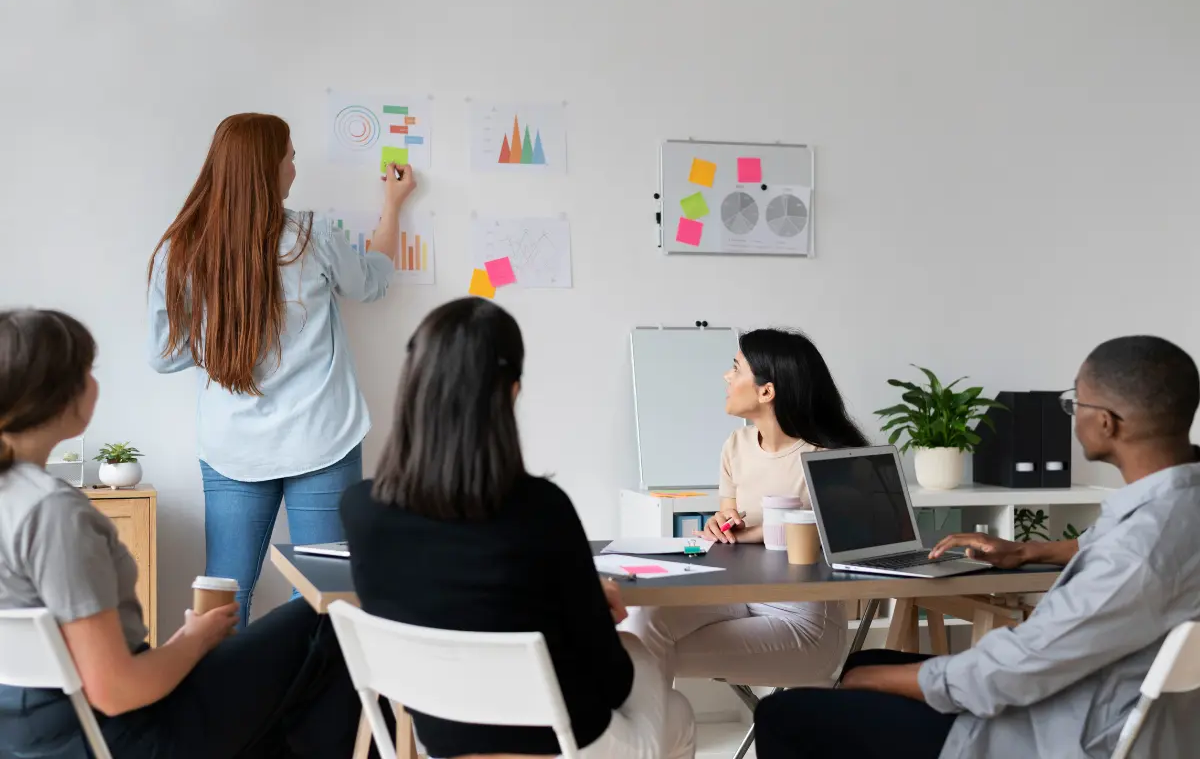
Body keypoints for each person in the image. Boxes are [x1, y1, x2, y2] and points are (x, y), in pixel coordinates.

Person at [754, 335, 1200, 759]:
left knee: (785, 713)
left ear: (1107, 422)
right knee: (868, 660)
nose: (1072, 414)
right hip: (1112, 702)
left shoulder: (1137, 552)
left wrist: (877, 680)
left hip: (1048, 733)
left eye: (1075, 403)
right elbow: (1109, 551)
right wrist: (1028, 551)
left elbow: (1011, 674)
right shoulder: (1177, 507)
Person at [340, 297, 696, 759]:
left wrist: (577, 607)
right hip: (562, 747)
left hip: (444, 745)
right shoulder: (543, 512)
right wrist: (587, 610)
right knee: (669, 696)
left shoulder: (361, 511)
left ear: (413, 385)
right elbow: (611, 682)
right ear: (510, 392)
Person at [0, 309, 361, 757]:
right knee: (326, 623)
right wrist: (195, 641)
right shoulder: (53, 514)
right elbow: (114, 691)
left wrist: (183, 641)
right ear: (60, 396)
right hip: (118, 736)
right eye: (87, 371)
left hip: (28, 735)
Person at [146, 112, 416, 628]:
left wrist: (219, 339)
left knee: (224, 593)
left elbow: (163, 354)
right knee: (323, 590)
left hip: (232, 445)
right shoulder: (310, 236)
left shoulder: (181, 247)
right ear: (268, 167)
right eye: (290, 156)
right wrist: (392, 206)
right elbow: (373, 284)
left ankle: (224, 704)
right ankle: (298, 700)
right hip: (322, 438)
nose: (295, 167)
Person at [626, 328, 869, 687]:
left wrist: (753, 533)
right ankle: (648, 738)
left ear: (766, 391)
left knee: (639, 651)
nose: (727, 376)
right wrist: (720, 526)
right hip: (738, 596)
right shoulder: (736, 445)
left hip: (802, 622)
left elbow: (834, 538)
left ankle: (649, 740)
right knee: (639, 621)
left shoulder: (828, 458)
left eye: (736, 368)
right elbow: (730, 530)